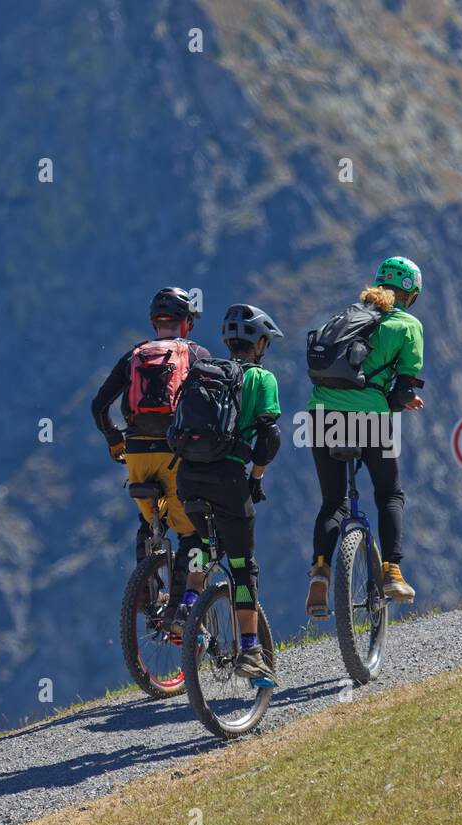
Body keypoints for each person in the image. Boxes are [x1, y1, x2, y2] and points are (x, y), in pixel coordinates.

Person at [306, 256, 425, 618]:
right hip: (369, 417)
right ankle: (392, 571)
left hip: (321, 414)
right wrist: (401, 401)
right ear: (412, 293)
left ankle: (320, 573)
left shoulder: (347, 317)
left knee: (333, 502)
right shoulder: (407, 326)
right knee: (389, 493)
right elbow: (403, 391)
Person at [91, 287, 208, 633]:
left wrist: (114, 439)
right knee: (194, 536)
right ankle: (179, 609)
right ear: (186, 324)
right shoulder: (196, 353)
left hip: (137, 454)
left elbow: (99, 405)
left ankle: (146, 594)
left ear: (154, 322)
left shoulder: (134, 356)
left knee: (149, 524)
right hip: (175, 453)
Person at [175, 304, 283, 682]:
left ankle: (187, 605)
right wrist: (256, 476)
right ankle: (251, 651)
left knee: (201, 545)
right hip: (228, 480)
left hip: (187, 477)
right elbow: (269, 438)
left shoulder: (203, 375)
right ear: (261, 343)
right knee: (241, 566)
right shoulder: (261, 379)